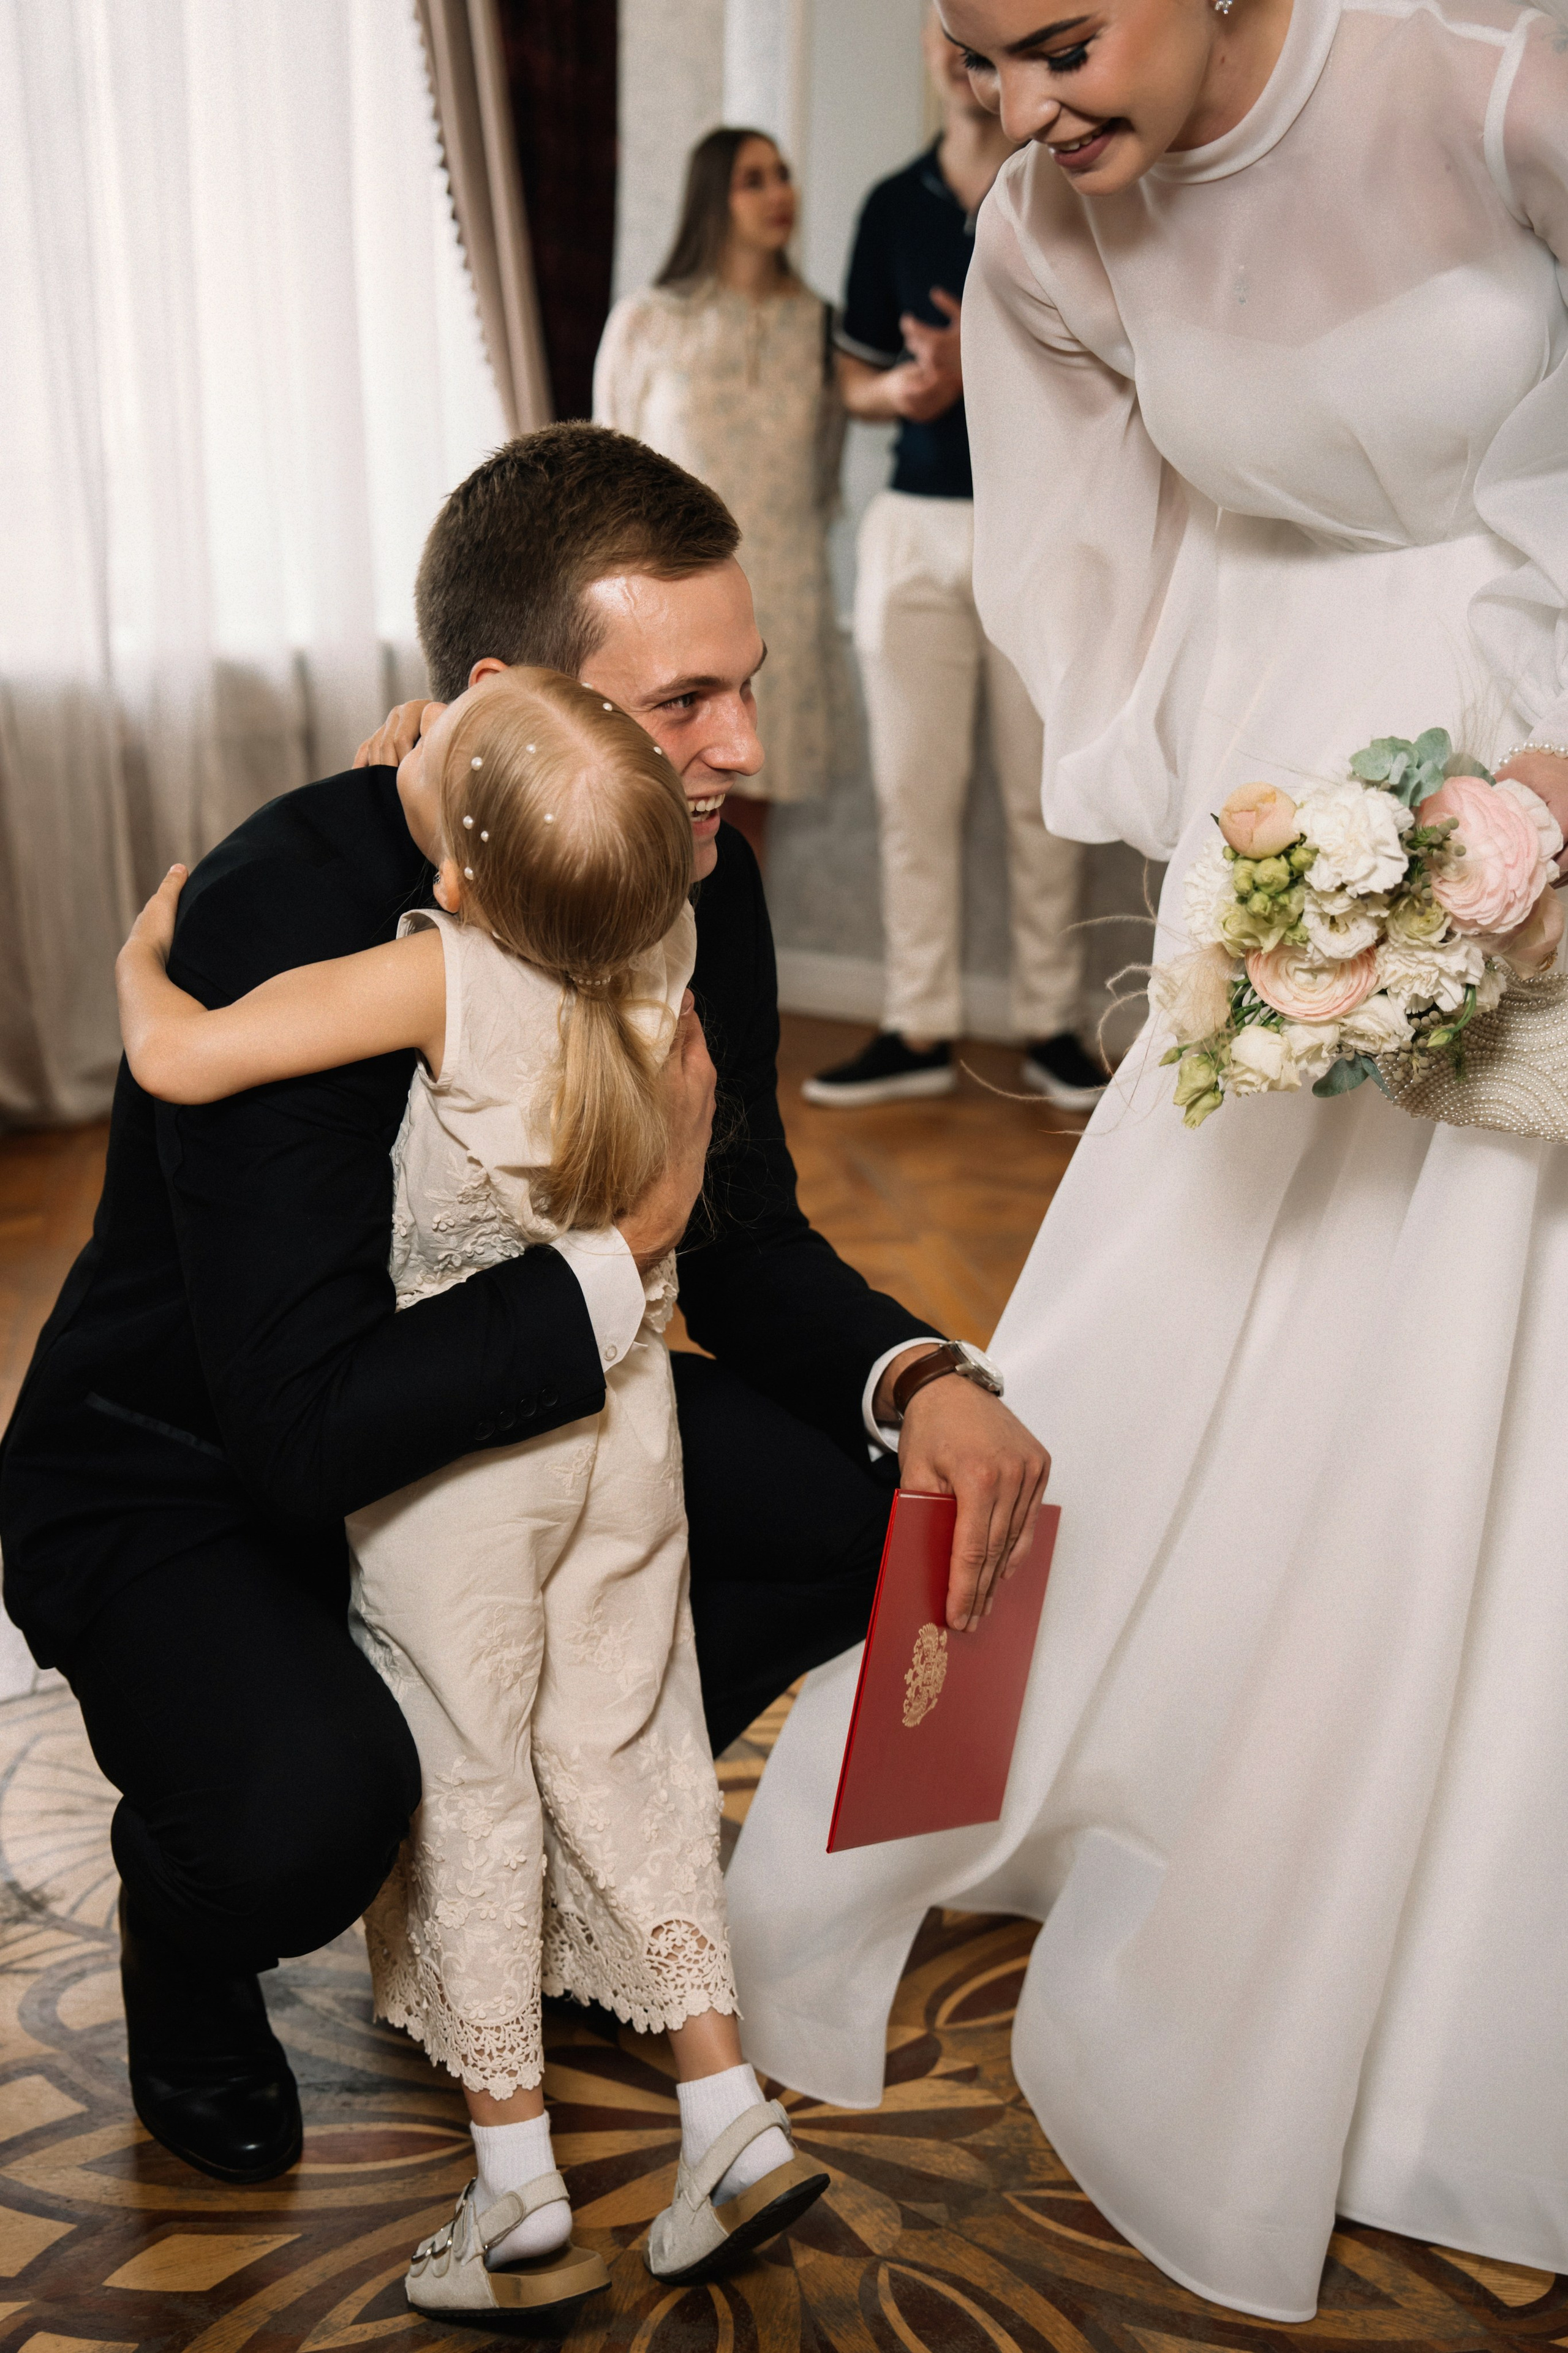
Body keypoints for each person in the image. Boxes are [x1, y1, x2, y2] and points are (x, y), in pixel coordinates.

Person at [725, 0, 1568, 2323]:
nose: (1018, 118)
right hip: (1277, 791)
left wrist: (1544, 784)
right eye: (976, 62)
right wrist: (1225, 847)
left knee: (1480, 1336)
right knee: (1124, 1333)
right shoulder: (1035, 232)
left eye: (1059, 43)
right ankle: (965, 1794)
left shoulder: (1494, 79)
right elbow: (1085, 561)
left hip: (1546, 738)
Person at [0, 423, 1047, 2196]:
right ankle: (190, 1920)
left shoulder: (699, 870)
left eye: (752, 687)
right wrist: (619, 1249)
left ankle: (558, 1853)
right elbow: (301, 1421)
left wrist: (916, 1370)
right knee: (295, 1821)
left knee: (876, 1518)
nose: (746, 751)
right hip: (203, 1470)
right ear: (507, 696)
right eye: (690, 699)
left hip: (525, 1428)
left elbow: (744, 1238)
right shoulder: (285, 913)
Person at [113, 671, 829, 2318]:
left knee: (469, 1777)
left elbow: (190, 1056)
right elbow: (573, 845)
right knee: (624, 1740)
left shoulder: (437, 978)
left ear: (453, 879)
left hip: (461, 1475)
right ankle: (725, 2113)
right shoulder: (670, 938)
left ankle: (515, 2189)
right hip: (625, 1426)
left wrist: (143, 955)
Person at [804, 9, 1104, 1114]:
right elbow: (855, 380)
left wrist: (1002, 370)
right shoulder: (892, 204)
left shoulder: (1073, 182)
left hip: (1044, 528)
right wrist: (914, 391)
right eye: (946, 30)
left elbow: (1118, 367)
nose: (961, 48)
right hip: (914, 532)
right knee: (911, 797)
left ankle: (1052, 1029)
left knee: (1043, 797)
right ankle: (917, 1024)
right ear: (939, 54)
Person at [595, 129, 847, 867]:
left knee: (744, 821)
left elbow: (824, 477)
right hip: (666, 606)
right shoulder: (647, 321)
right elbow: (607, 476)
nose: (779, 195)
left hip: (781, 603)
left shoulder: (819, 326)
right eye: (753, 180)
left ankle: (730, 977)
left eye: (783, 175)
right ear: (713, 198)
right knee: (648, 802)